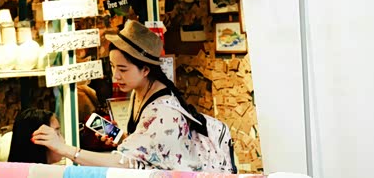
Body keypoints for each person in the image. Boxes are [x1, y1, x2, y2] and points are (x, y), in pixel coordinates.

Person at [32, 20, 235, 172]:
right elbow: (149, 149)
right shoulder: (140, 92)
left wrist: (66, 150)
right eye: (113, 67)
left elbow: (124, 163)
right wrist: (122, 139)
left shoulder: (164, 113)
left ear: (145, 70)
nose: (115, 76)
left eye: (123, 69)